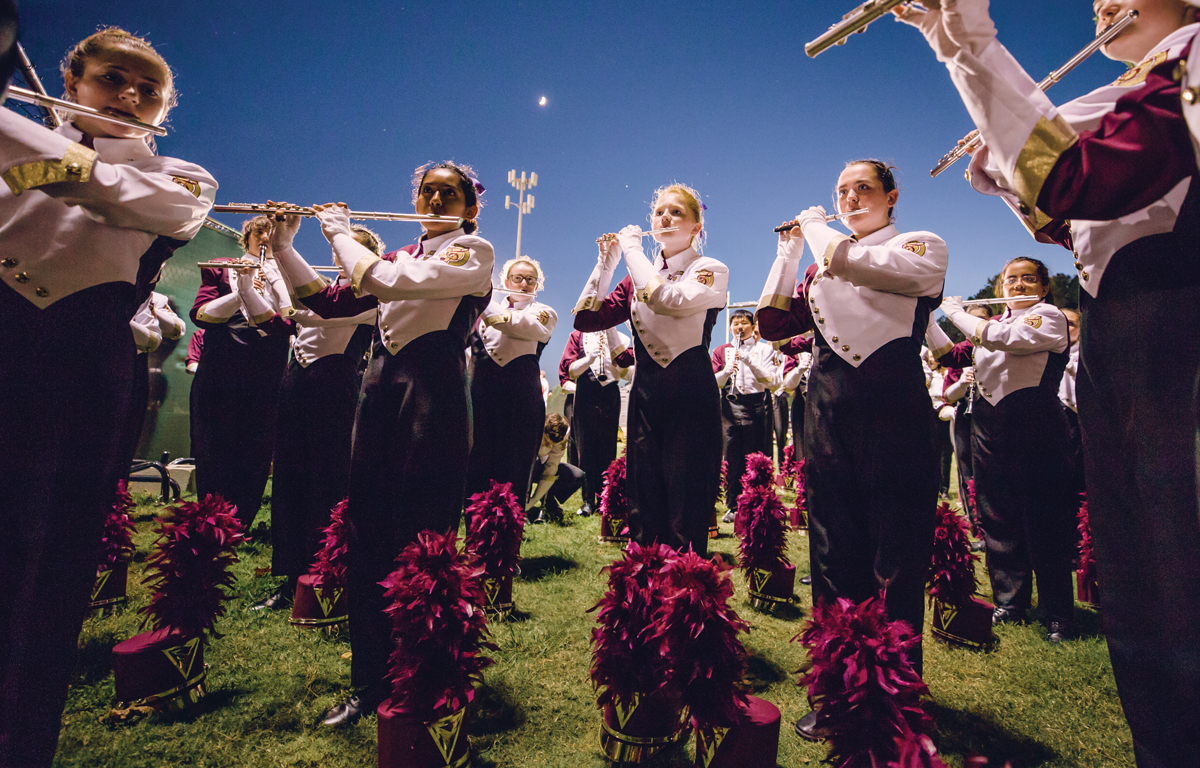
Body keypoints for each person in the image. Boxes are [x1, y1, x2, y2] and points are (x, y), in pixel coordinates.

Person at [897, 2, 1200, 762]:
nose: (1100, 2)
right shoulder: (1142, 80)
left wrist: (962, 36)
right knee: (1141, 593)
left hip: (1172, 321)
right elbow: (1069, 220)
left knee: (1178, 575)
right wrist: (1007, 172)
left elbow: (1080, 180)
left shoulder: (1188, 61)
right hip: (1120, 323)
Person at [0, 26, 215, 765]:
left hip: (76, 374)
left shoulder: (182, 176)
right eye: (111, 80)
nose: (128, 96)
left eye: (146, 90)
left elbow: (96, 185)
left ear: (164, 110)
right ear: (70, 83)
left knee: (41, 568)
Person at [267, 162, 493, 726]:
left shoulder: (474, 251)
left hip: (433, 400)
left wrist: (341, 233)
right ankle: (368, 678)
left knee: (425, 535)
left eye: (449, 192)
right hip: (378, 398)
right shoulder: (395, 257)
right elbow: (326, 303)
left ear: (469, 208)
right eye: (427, 190)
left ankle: (427, 672)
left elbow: (388, 285)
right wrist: (285, 245)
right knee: (367, 532)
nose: (436, 198)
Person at [755, 160, 946, 740]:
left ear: (892, 196)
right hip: (829, 410)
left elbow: (873, 268)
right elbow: (769, 323)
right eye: (841, 191)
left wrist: (814, 224)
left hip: (896, 408)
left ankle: (895, 696)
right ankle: (841, 691)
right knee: (834, 554)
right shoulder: (821, 260)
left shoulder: (921, 243)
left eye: (864, 188)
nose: (850, 197)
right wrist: (788, 254)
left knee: (896, 556)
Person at [574, 183, 727, 555]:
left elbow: (668, 299)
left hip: (691, 391)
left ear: (696, 228)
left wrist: (629, 251)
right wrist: (606, 263)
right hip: (645, 393)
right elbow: (585, 319)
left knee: (686, 498)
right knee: (644, 496)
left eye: (677, 212)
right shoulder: (634, 276)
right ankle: (645, 587)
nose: (665, 217)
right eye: (659, 211)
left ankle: (685, 589)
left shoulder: (709, 268)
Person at [932, 259, 1076, 641]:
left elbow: (1003, 340)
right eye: (1010, 279)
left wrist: (956, 312)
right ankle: (1010, 602)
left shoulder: (1048, 316)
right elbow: (949, 356)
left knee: (1044, 520)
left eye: (1028, 278)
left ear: (1044, 287)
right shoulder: (991, 327)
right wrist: (925, 317)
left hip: (1036, 426)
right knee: (997, 518)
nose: (1017, 284)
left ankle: (1058, 613)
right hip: (988, 427)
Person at [253, 225, 379, 611]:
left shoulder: (372, 292)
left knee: (327, 479)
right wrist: (264, 266)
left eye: (348, 250)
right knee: (290, 479)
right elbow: (273, 318)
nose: (340, 256)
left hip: (336, 386)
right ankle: (291, 575)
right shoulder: (319, 289)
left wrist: (281, 262)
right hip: (297, 382)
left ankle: (325, 572)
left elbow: (319, 316)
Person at [190, 216, 294, 529]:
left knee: (257, 447)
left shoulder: (289, 274)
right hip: (222, 366)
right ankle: (210, 521)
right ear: (247, 237)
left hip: (268, 369)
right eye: (261, 232)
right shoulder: (223, 265)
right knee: (212, 443)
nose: (266, 238)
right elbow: (201, 314)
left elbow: (291, 322)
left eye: (272, 234)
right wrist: (241, 292)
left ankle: (241, 524)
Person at [465, 255, 557, 503]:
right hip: (481, 398)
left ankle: (509, 525)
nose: (524, 284)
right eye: (517, 278)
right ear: (505, 281)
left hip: (522, 402)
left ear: (537, 286)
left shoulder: (545, 312)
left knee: (515, 465)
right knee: (478, 464)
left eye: (530, 279)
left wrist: (482, 293)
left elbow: (515, 324)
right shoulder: (478, 312)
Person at [558, 326, 635, 516]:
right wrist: (590, 358)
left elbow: (628, 374)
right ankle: (587, 500)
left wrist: (619, 362)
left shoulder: (622, 338)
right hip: (585, 392)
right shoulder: (577, 335)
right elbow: (571, 371)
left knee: (608, 447)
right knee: (585, 448)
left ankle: (605, 498)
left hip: (610, 393)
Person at [712, 310, 779, 520]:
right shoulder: (721, 350)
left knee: (756, 455)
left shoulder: (764, 350)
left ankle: (756, 502)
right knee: (731, 456)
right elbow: (714, 382)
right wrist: (726, 371)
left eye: (743, 323)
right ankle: (733, 505)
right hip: (730, 406)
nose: (739, 328)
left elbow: (773, 382)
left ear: (753, 326)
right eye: (735, 324)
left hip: (757, 405)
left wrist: (749, 360)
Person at [526, 413, 586, 524]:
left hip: (543, 464)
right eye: (547, 441)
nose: (550, 446)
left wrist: (533, 500)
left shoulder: (562, 437)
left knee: (577, 476)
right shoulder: (533, 428)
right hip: (527, 465)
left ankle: (548, 502)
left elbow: (551, 468)